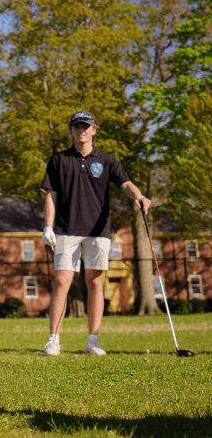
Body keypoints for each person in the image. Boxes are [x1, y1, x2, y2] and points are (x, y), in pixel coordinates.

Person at [40, 111, 151, 356]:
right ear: (71, 130)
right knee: (62, 283)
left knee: (95, 283)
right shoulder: (59, 160)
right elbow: (51, 195)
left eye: (85, 126)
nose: (81, 129)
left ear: (94, 130)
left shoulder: (107, 160)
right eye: (77, 125)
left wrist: (139, 196)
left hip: (99, 231)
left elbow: (126, 184)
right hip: (66, 229)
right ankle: (53, 340)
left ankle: (93, 340)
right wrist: (48, 227)